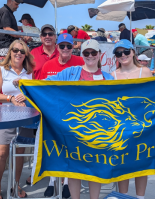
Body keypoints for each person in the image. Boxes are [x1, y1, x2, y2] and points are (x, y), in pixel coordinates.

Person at [45, 39, 114, 199]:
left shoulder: (109, 77)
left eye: (93, 52)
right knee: (74, 168)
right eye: (86, 53)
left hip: (100, 132)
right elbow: (46, 84)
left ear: (99, 55)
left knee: (96, 168)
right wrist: (26, 85)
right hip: (74, 130)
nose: (90, 56)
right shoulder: (71, 72)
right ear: (82, 55)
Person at [0, 40, 35, 199]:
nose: (18, 53)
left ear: (26, 55)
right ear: (10, 52)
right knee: (0, 154)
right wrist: (11, 98)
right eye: (15, 50)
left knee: (19, 153)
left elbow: (33, 93)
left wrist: (28, 95)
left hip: (24, 116)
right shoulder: (2, 69)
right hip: (4, 117)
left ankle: (15, 185)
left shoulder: (29, 72)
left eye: (22, 51)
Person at [110, 40, 152, 199]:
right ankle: (123, 196)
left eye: (126, 52)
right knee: (122, 163)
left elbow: (153, 96)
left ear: (133, 52)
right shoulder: (112, 75)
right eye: (118, 53)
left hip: (142, 125)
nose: (123, 55)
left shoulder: (145, 72)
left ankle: (140, 197)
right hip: (121, 125)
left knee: (141, 163)